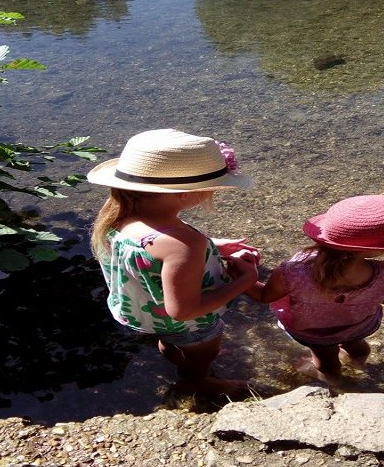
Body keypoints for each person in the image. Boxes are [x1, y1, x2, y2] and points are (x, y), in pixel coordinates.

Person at [87, 128, 259, 396]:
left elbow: (149, 251)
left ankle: (176, 355)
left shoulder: (116, 218)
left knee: (171, 341)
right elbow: (184, 311)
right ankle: (197, 381)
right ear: (186, 194)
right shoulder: (184, 244)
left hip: (146, 314)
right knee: (204, 353)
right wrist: (246, 280)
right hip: (191, 325)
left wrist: (212, 246)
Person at [241, 188, 384, 385]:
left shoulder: (293, 272)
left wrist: (243, 276)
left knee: (325, 359)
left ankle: (334, 381)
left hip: (313, 333)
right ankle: (357, 363)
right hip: (360, 326)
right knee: (358, 346)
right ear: (380, 249)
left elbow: (264, 295)